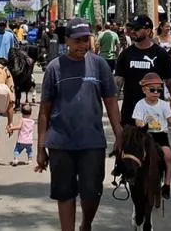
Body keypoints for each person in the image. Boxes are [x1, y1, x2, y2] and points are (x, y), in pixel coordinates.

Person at [36, 18, 122, 231]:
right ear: (66, 40)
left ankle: (86, 224)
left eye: (86, 40)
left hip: (92, 142)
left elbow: (111, 104)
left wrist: (120, 138)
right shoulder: (54, 68)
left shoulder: (99, 65)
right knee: (65, 194)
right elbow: (44, 110)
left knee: (92, 193)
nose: (82, 45)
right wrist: (40, 147)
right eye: (77, 40)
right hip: (60, 143)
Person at [114, 14, 171, 126]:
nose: (132, 31)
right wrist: (115, 121)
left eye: (136, 29)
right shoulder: (125, 55)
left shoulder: (161, 55)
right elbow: (116, 87)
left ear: (147, 30)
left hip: (155, 118)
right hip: (130, 117)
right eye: (131, 28)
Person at [132, 72, 171, 199]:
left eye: (159, 90)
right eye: (152, 90)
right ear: (144, 90)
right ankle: (133, 177)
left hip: (160, 135)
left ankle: (167, 184)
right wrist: (140, 125)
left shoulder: (163, 104)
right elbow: (137, 120)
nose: (156, 93)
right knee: (136, 156)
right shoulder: (140, 104)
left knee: (168, 155)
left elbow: (170, 118)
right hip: (146, 135)